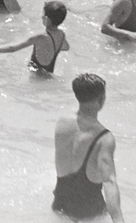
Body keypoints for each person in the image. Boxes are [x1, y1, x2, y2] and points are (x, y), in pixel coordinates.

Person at [52, 74, 124, 222]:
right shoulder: (104, 138)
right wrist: (118, 219)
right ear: (101, 99)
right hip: (90, 215)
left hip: (59, 207)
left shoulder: (62, 123)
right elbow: (109, 181)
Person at [0, 0, 70, 75]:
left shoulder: (40, 37)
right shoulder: (61, 35)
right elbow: (66, 47)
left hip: (35, 76)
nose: (41, 17)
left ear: (46, 19)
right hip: (48, 74)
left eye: (43, 15)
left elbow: (13, 48)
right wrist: (49, 48)